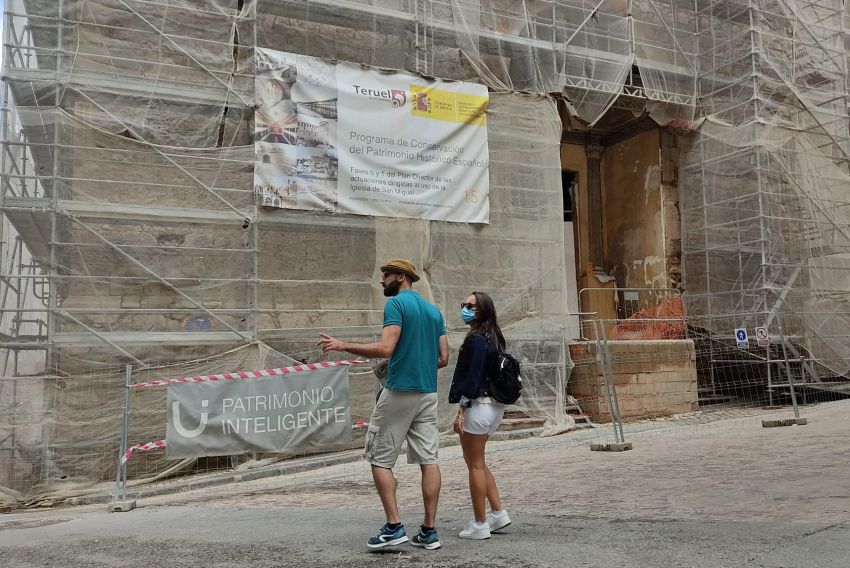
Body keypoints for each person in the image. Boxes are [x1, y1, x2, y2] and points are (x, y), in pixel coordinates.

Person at [318, 259, 449, 550]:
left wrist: (343, 345)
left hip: (400, 390)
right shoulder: (433, 310)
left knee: (379, 458)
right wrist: (416, 364)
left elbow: (386, 348)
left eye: (386, 276)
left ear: (400, 277)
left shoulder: (396, 305)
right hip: (428, 392)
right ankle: (429, 530)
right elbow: (443, 358)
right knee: (429, 460)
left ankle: (394, 526)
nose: (382, 281)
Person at [448, 291, 512, 540]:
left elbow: (472, 377)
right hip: (493, 407)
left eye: (471, 306)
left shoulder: (476, 340)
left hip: (478, 405)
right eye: (463, 304)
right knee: (479, 462)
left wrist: (461, 410)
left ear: (483, 310)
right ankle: (497, 513)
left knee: (473, 464)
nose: (465, 308)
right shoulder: (493, 337)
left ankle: (479, 523)